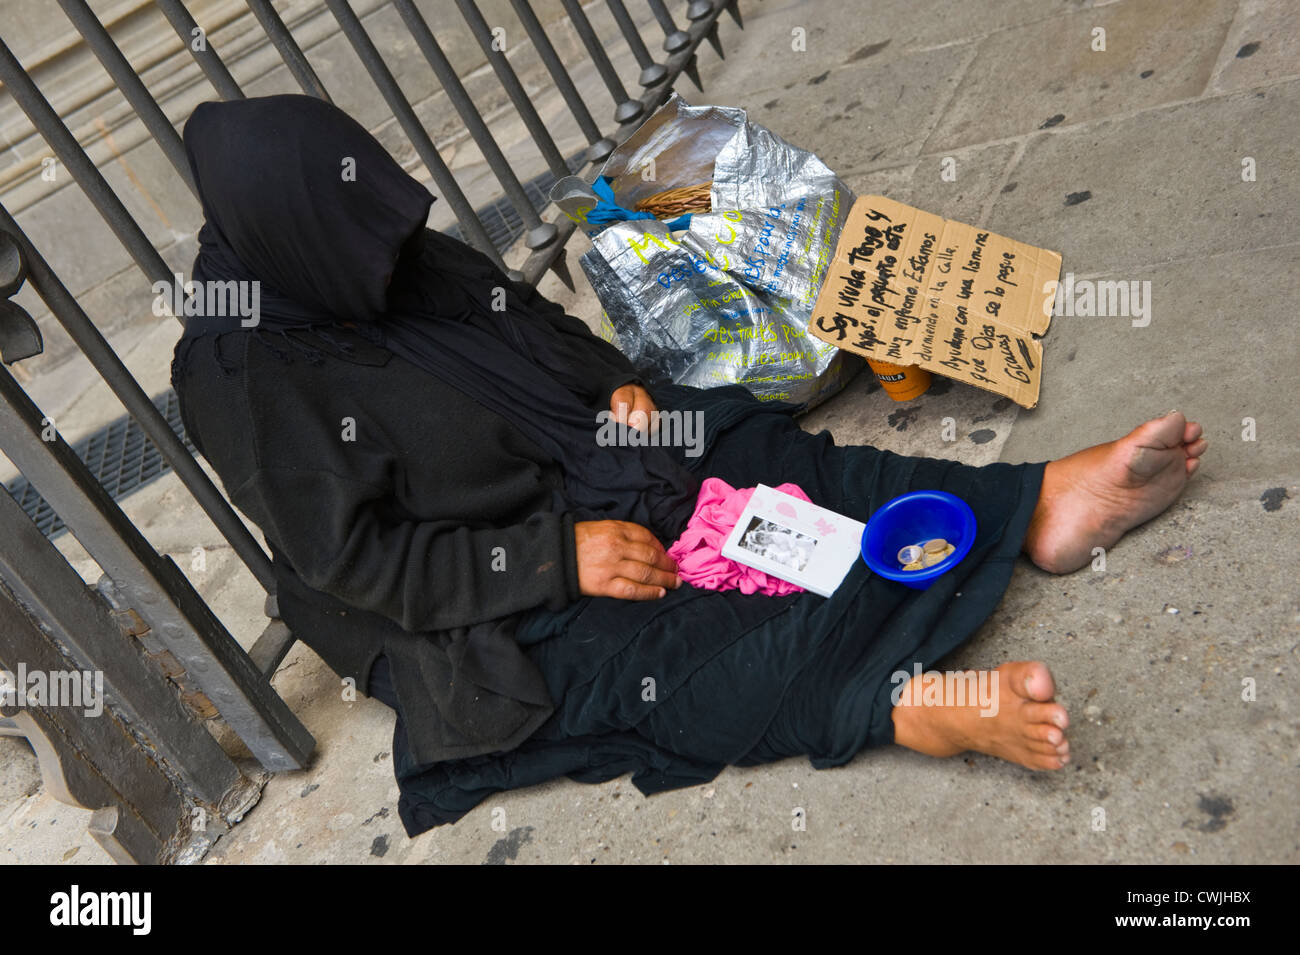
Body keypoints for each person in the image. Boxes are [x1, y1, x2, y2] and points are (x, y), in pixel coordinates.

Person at [171, 95, 1207, 837]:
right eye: (371, 255)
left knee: (745, 444)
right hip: (470, 591)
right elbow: (356, 562)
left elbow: (528, 326)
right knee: (644, 660)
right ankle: (896, 706)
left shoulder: (382, 247)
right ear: (292, 247)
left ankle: (1026, 505)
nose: (397, 260)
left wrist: (612, 386)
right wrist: (554, 560)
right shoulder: (243, 376)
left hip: (588, 456)